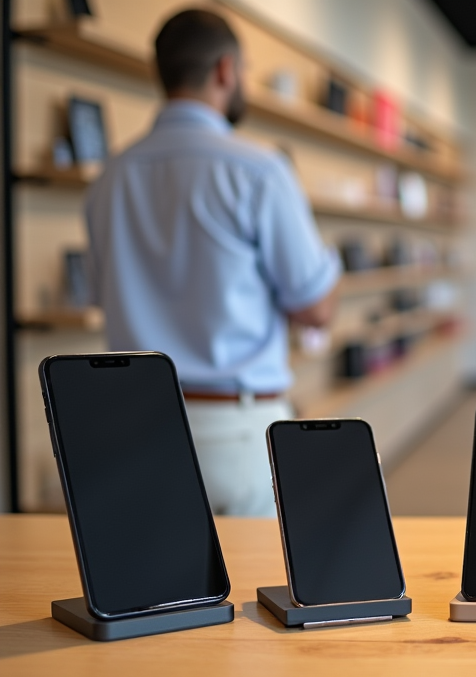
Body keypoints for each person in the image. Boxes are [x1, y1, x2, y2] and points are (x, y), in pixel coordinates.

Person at [85, 9, 340, 518]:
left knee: (157, 593)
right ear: (226, 70)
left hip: (137, 429)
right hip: (235, 431)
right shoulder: (259, 169)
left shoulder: (110, 176)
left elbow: (101, 293)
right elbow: (315, 308)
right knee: (251, 592)